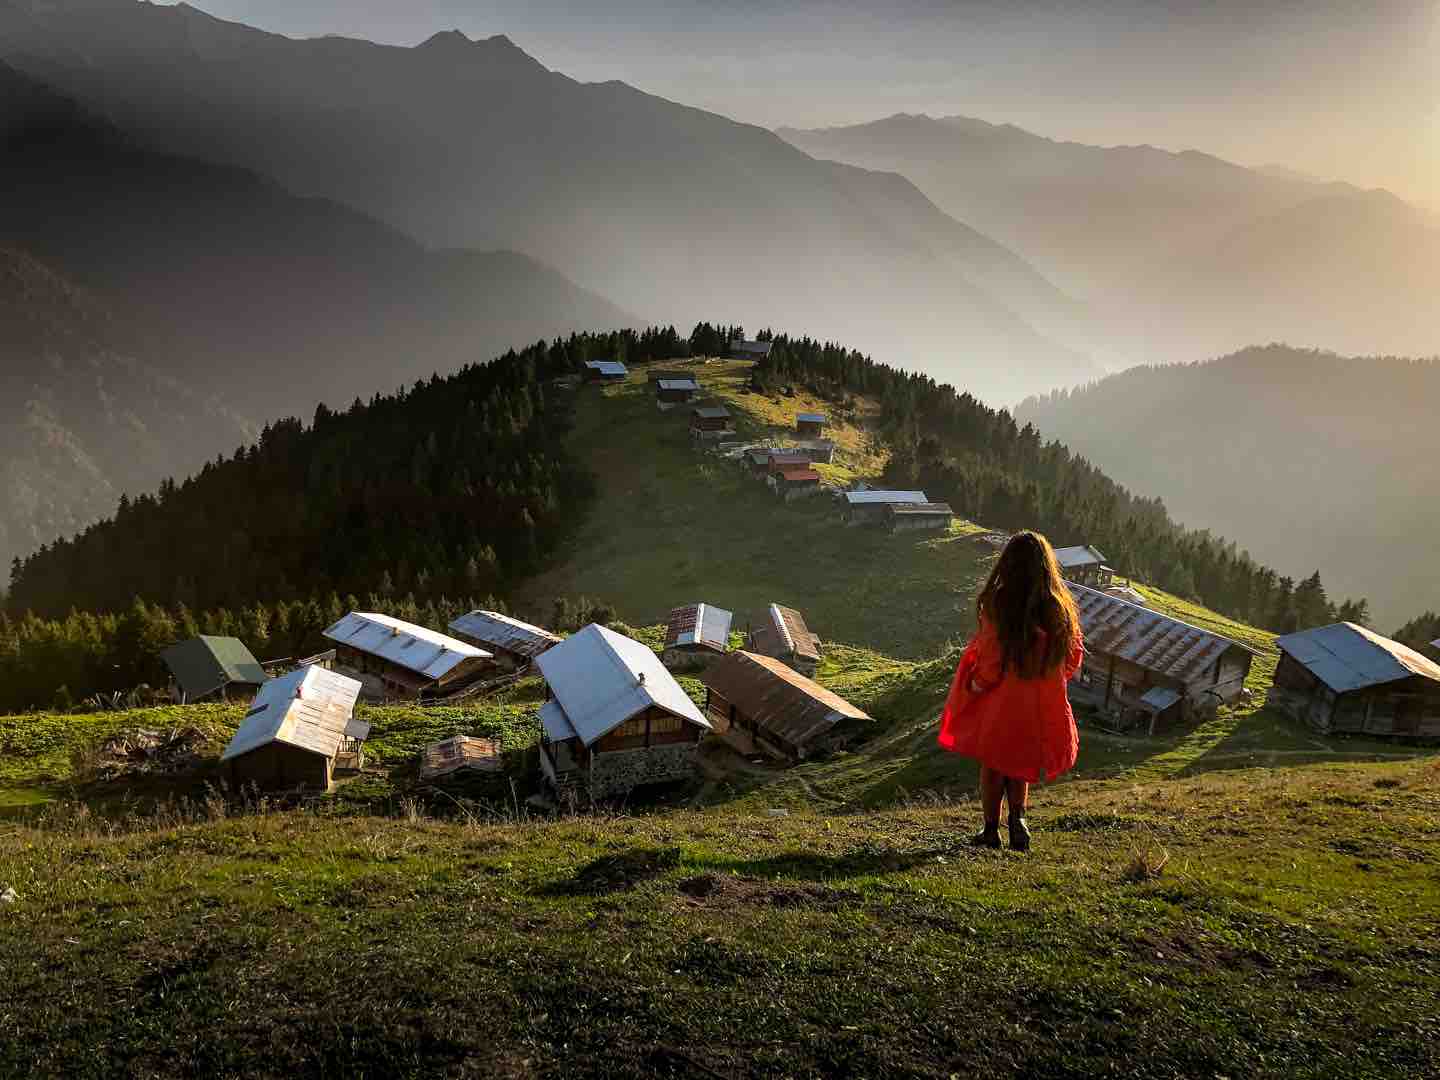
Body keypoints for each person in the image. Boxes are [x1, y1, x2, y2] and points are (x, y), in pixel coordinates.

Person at [937, 530, 1084, 851]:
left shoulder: (1000, 602)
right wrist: (1048, 682)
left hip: (1001, 700)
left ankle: (991, 830)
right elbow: (1073, 656)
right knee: (1020, 763)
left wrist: (976, 684)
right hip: (1039, 703)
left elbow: (991, 656)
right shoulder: (1058, 605)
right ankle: (1018, 823)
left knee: (993, 765)